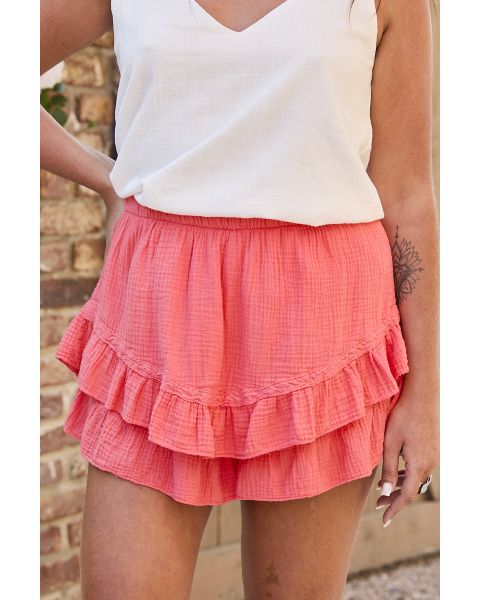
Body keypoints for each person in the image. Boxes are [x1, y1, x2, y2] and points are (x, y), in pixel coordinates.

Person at [40, 0, 439, 598]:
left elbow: (406, 193)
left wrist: (426, 392)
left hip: (323, 323)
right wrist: (108, 179)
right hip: (160, 319)